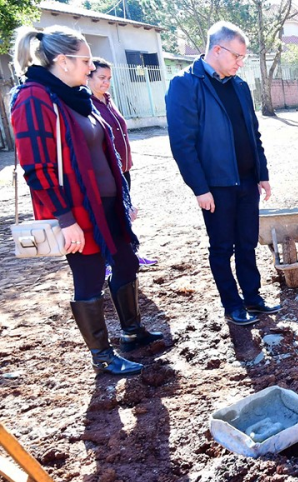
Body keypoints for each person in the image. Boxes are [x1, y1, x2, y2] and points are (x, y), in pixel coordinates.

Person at [11, 26, 163, 376]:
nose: (91, 67)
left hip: (107, 205)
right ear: (62, 61)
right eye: (85, 60)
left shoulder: (77, 97)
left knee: (126, 263)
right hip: (77, 212)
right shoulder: (34, 97)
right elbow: (36, 168)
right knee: (90, 276)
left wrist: (123, 200)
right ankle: (103, 356)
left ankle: (132, 332)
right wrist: (66, 220)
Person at [166, 21, 280, 326]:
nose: (240, 63)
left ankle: (253, 298)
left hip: (246, 181)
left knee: (247, 243)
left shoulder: (239, 86)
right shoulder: (185, 85)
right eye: (237, 56)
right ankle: (232, 305)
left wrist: (262, 173)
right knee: (221, 247)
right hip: (216, 186)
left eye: (243, 57)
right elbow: (182, 143)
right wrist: (199, 188)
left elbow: (253, 133)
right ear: (217, 49)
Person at [86, 57, 158, 269]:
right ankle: (108, 262)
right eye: (101, 77)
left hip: (123, 171)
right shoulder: (87, 104)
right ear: (88, 77)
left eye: (109, 78)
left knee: (125, 215)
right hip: (107, 174)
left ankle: (130, 254)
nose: (106, 82)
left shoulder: (108, 100)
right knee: (109, 219)